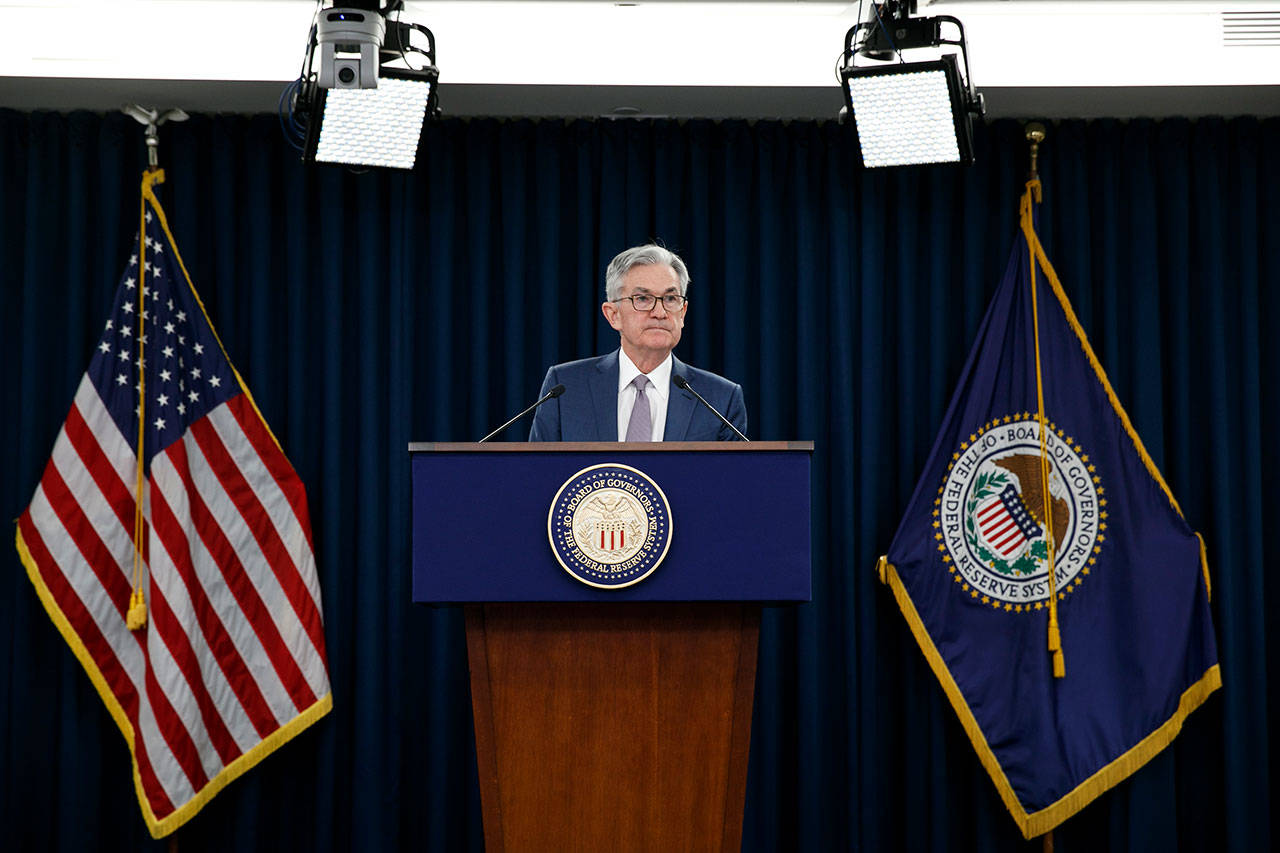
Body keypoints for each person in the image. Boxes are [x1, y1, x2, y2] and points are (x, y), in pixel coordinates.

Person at [530, 244, 747, 442]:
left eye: (671, 299)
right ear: (612, 314)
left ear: (683, 313)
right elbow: (537, 475)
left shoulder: (720, 399)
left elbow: (732, 482)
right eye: (643, 299)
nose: (660, 312)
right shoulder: (565, 387)